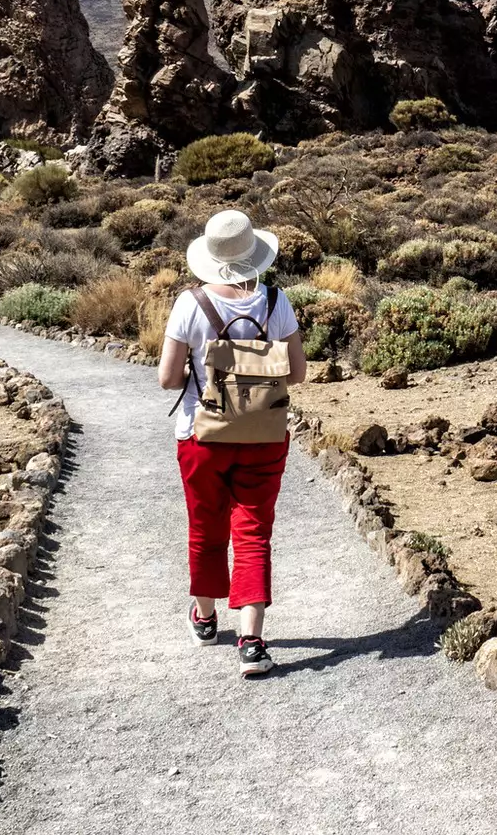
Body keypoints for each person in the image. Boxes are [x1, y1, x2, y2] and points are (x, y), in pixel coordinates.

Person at [157, 209, 305, 676]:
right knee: (253, 532)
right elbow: (297, 373)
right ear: (253, 254)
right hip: (264, 435)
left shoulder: (190, 304)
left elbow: (167, 379)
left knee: (206, 526)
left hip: (202, 435)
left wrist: (200, 374)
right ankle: (252, 641)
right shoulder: (277, 301)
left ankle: (204, 617)